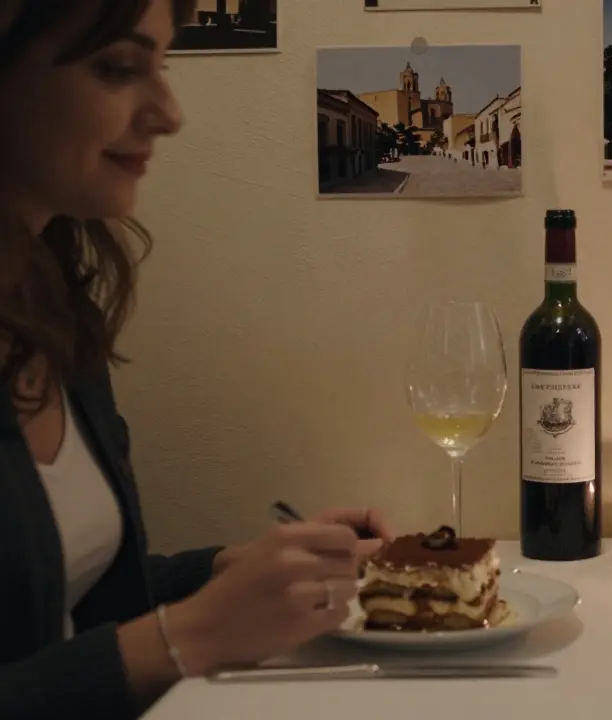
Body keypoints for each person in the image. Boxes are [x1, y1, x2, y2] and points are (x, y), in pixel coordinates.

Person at [0, 2, 397, 718]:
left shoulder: (55, 311)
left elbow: (83, 599)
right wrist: (191, 636)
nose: (170, 112)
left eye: (163, 65)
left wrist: (236, 574)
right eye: (120, 68)